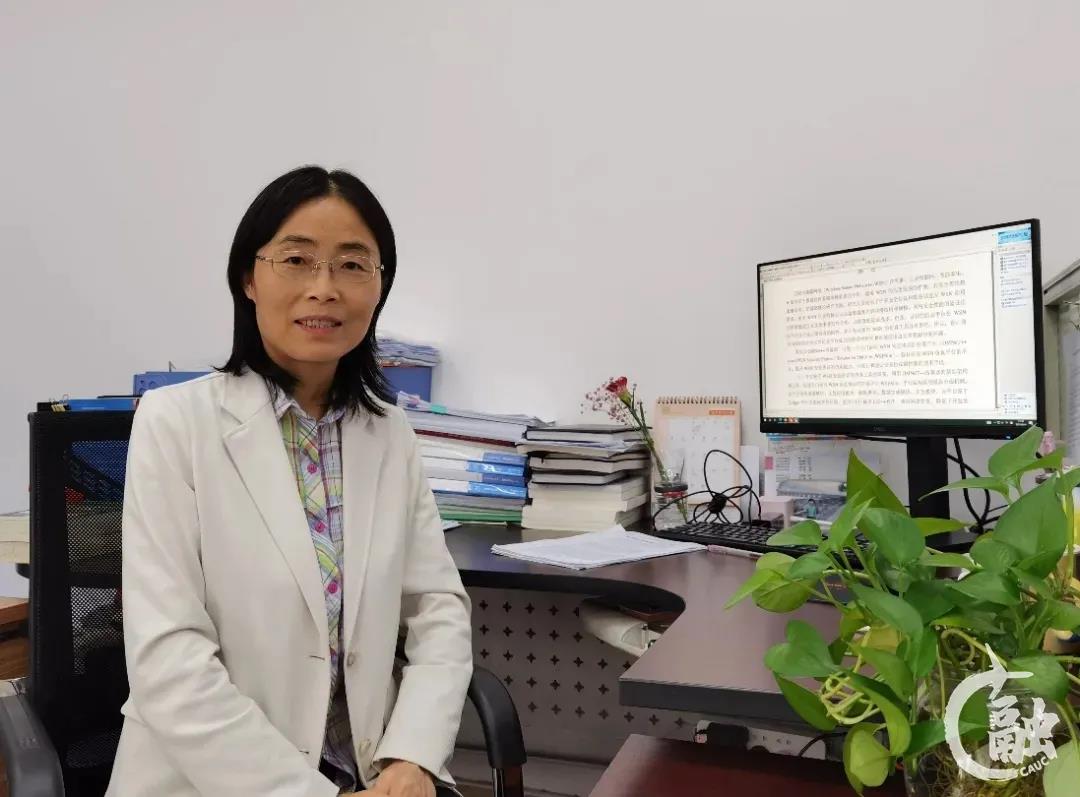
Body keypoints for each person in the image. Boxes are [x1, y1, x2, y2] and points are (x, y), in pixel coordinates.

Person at [106, 166, 472, 797]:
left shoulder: (389, 432)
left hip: (371, 773)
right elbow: (169, 661)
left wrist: (411, 758)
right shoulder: (175, 423)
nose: (324, 289)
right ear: (249, 279)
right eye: (297, 260)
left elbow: (437, 612)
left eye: (352, 265)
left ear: (379, 287)